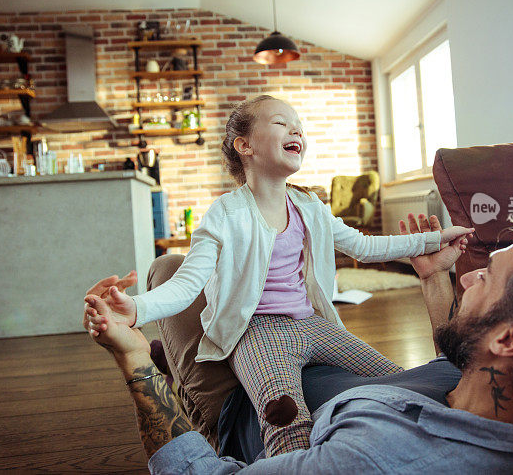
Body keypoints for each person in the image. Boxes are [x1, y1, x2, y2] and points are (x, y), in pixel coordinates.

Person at [84, 203, 513, 473]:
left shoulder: (372, 460)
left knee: (168, 272)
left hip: (252, 406)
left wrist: (133, 360)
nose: (471, 274)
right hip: (356, 379)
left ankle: (184, 382)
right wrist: (434, 277)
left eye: (485, 278)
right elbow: (461, 359)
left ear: (511, 337)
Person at [84, 94, 474, 456]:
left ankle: (169, 357)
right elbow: (187, 281)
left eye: (299, 126)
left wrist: (433, 240)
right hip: (259, 330)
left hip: (313, 325)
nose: (296, 131)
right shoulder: (225, 214)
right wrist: (135, 308)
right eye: (281, 123)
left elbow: (365, 246)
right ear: (245, 145)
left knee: (402, 386)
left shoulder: (310, 206)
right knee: (285, 419)